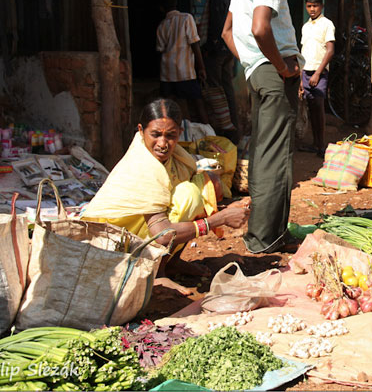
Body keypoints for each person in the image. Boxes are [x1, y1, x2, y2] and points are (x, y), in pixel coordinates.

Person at [82, 99, 249, 293]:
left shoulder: (176, 156)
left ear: (179, 132)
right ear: (140, 130)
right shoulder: (143, 166)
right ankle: (157, 275)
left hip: (141, 234)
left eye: (170, 136)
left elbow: (197, 178)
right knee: (188, 195)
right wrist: (219, 219)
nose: (162, 144)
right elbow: (162, 235)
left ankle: (170, 263)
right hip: (112, 247)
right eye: (155, 135)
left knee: (203, 185)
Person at [221, 0, 307, 254]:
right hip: (273, 73)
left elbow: (228, 32)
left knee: (264, 151)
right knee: (275, 156)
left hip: (258, 71)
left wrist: (250, 63)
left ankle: (272, 232)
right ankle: (263, 238)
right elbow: (260, 28)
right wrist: (279, 65)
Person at [195, 0, 238, 140]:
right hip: (227, 49)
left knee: (215, 89)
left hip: (217, 50)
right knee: (226, 87)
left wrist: (209, 48)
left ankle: (224, 128)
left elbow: (217, 27)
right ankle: (232, 126)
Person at [156, 0, 209, 125]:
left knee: (172, 108)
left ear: (161, 8)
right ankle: (209, 135)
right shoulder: (186, 18)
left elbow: (160, 49)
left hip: (167, 74)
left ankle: (183, 135)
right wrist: (201, 68)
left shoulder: (162, 26)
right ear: (176, 4)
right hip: (185, 72)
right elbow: (195, 44)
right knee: (198, 103)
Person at [298, 0, 335, 157]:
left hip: (318, 72)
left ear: (322, 6)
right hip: (305, 71)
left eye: (315, 5)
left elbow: (330, 51)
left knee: (318, 108)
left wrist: (317, 73)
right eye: (309, 6)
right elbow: (302, 51)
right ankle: (315, 143)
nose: (312, 9)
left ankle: (321, 145)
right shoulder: (306, 26)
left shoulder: (327, 24)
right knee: (311, 108)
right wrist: (300, 78)